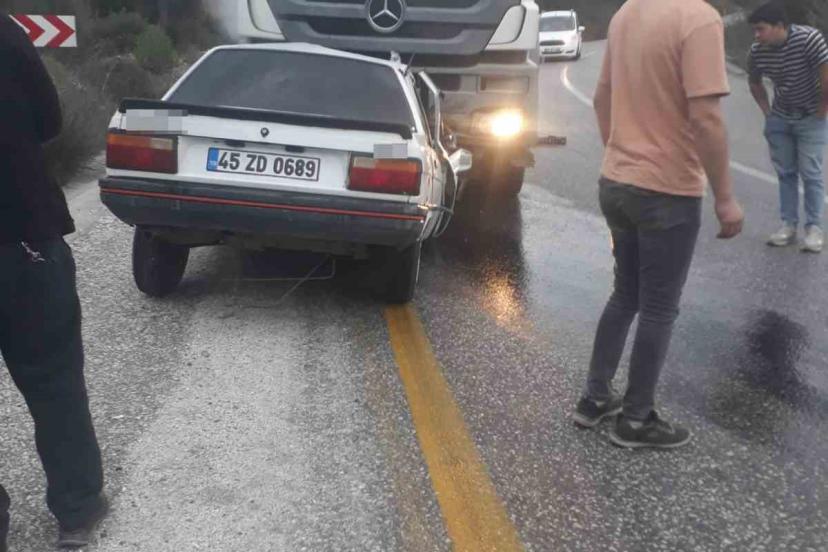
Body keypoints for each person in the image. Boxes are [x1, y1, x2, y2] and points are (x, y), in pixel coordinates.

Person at [572, 0, 744, 449]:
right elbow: (706, 118)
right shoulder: (698, 18)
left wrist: (622, 155)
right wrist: (725, 198)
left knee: (625, 294)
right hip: (667, 190)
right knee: (659, 308)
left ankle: (594, 398)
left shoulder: (627, 13)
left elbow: (602, 98)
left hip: (617, 182)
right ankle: (636, 419)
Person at [0, 13, 107, 549]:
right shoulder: (6, 34)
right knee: (55, 383)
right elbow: (49, 121)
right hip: (25, 236)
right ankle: (77, 510)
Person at [747, 1, 828, 253]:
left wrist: (821, 111)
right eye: (755, 30)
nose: (756, 35)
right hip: (780, 116)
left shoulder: (809, 40)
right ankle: (788, 226)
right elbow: (754, 82)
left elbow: (826, 77)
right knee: (786, 173)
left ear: (779, 26)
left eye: (761, 29)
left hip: (811, 117)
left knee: (811, 173)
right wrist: (768, 113)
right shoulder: (757, 51)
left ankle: (814, 229)